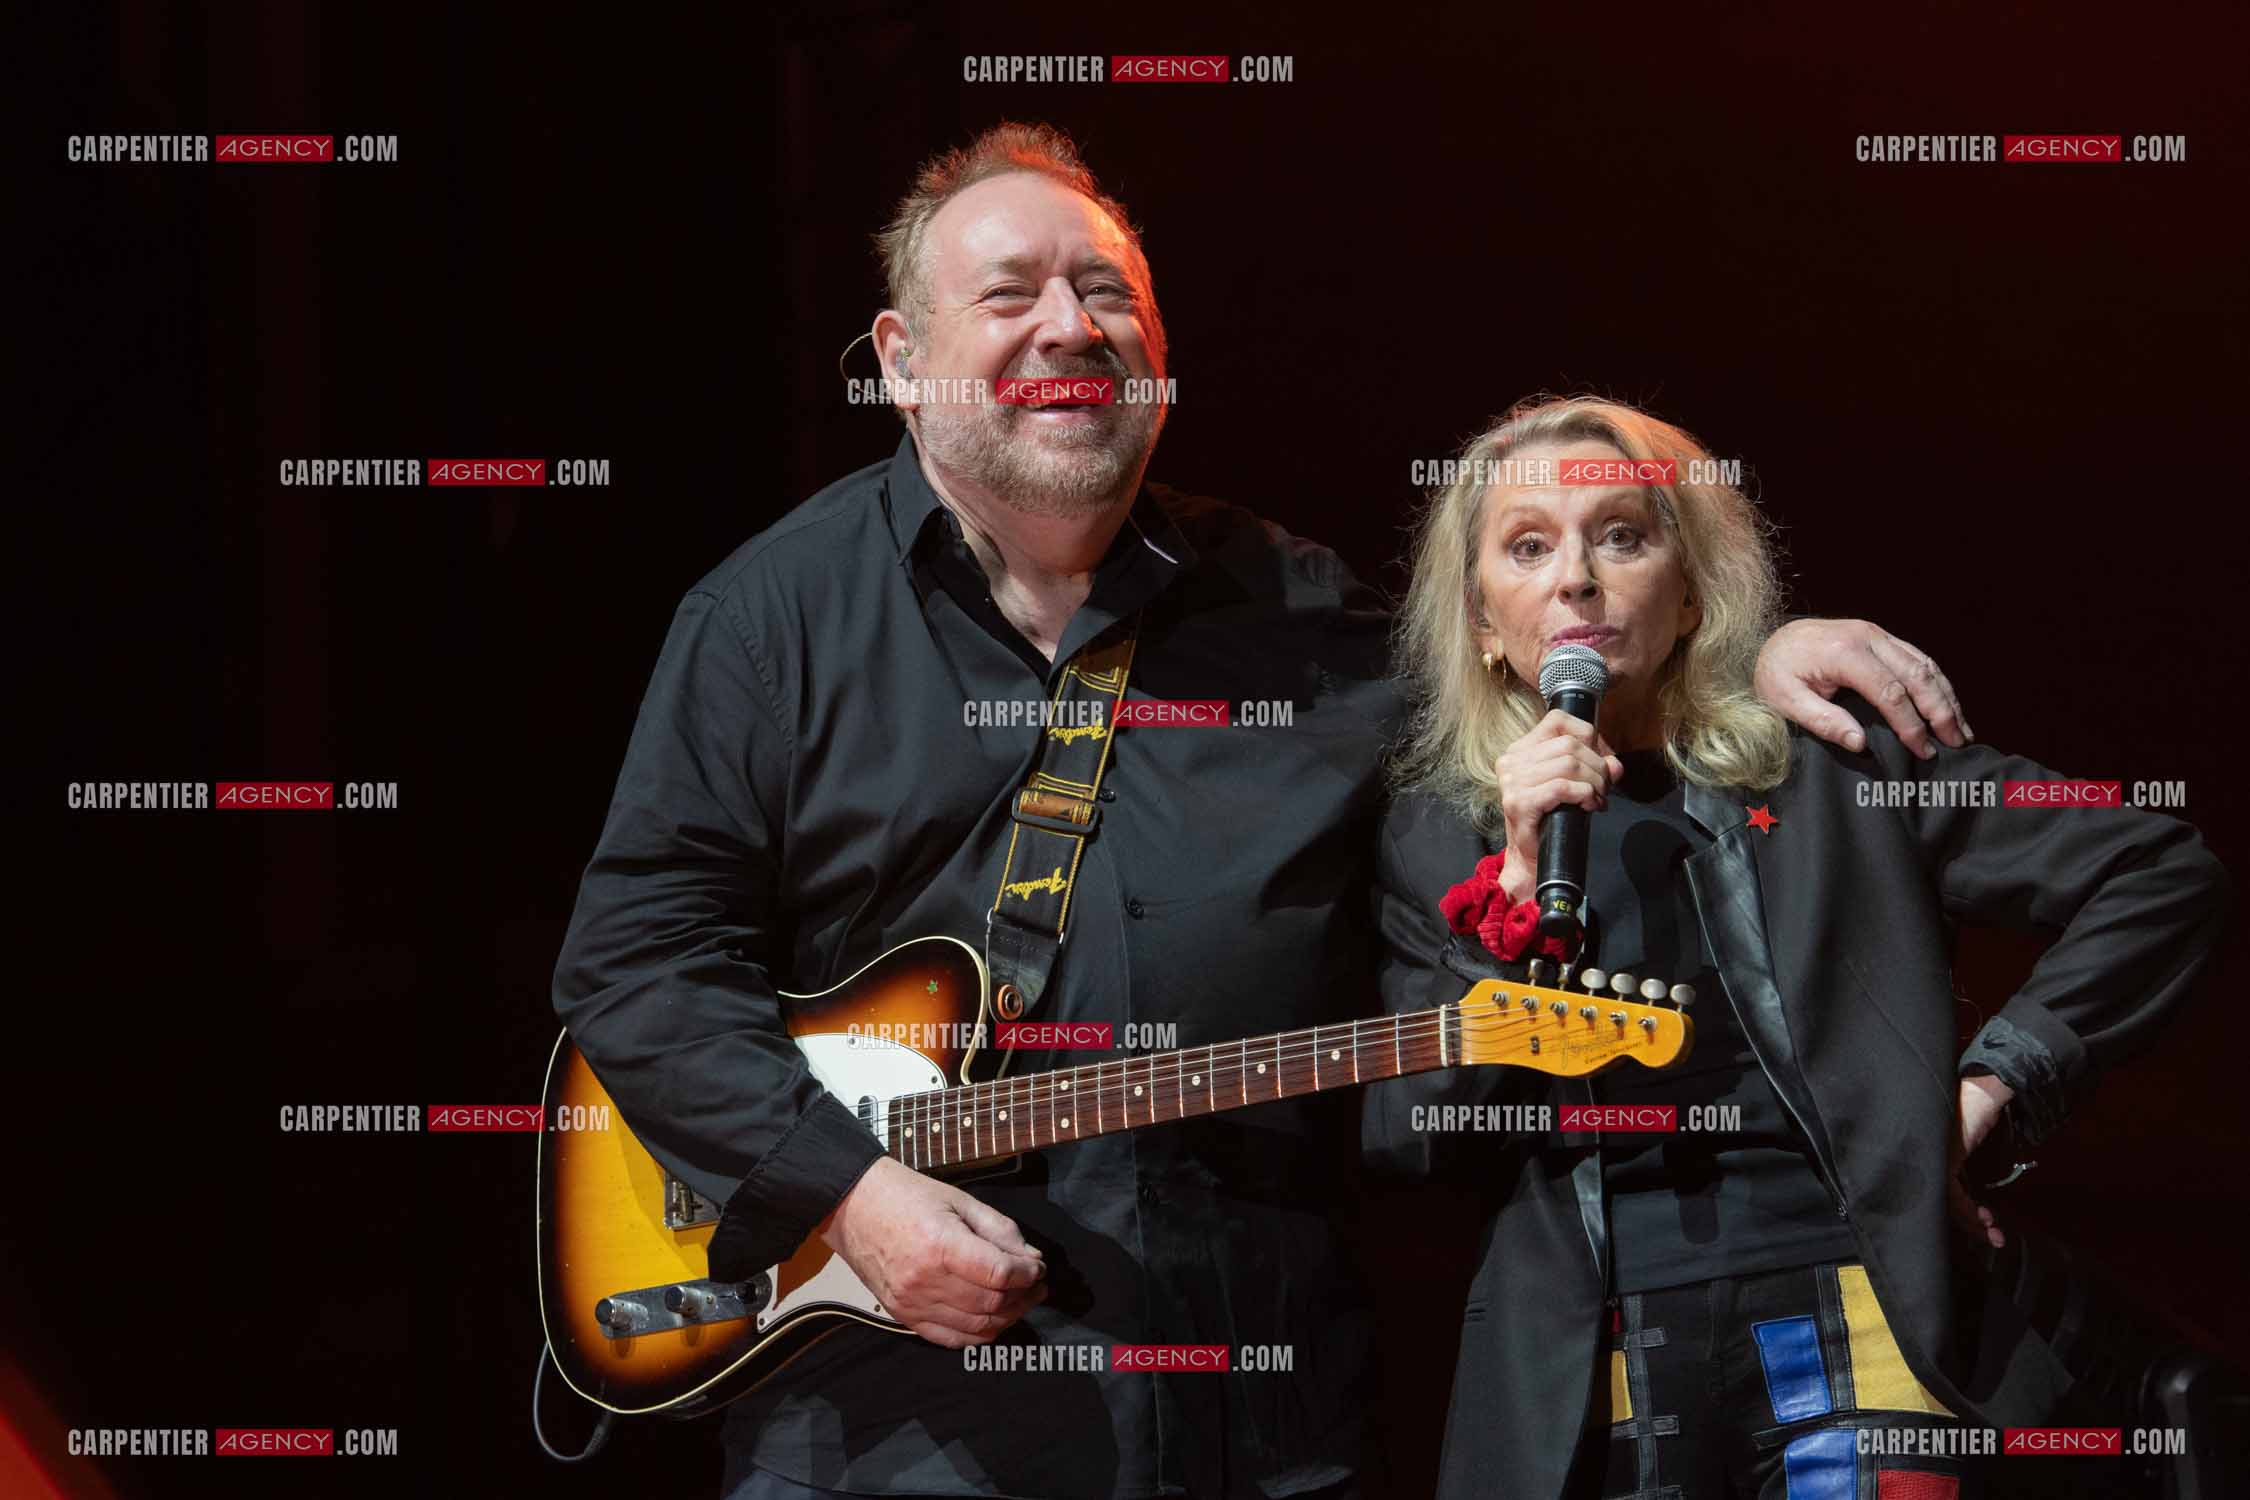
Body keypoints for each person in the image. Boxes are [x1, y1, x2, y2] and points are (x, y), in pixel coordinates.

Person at [553, 125, 1974, 1500]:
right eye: (1010, 294)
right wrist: (849, 1192)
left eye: (1107, 292)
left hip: (1253, 1417)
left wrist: (1744, 660)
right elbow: (633, 964)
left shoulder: (1307, 620)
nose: (1070, 327)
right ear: (900, 360)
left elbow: (1537, 688)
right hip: (890, 1428)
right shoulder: (770, 620)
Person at [1365, 394, 2230, 1499]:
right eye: (1528, 547)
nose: (1575, 579)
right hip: (1598, 1362)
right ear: (1483, 621)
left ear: (1689, 593)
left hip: (1859, 1317)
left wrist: (1991, 1090)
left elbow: (2158, 872)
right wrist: (1520, 887)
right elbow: (1407, 1134)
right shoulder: (1439, 836)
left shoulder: (1827, 764)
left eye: (1621, 536)